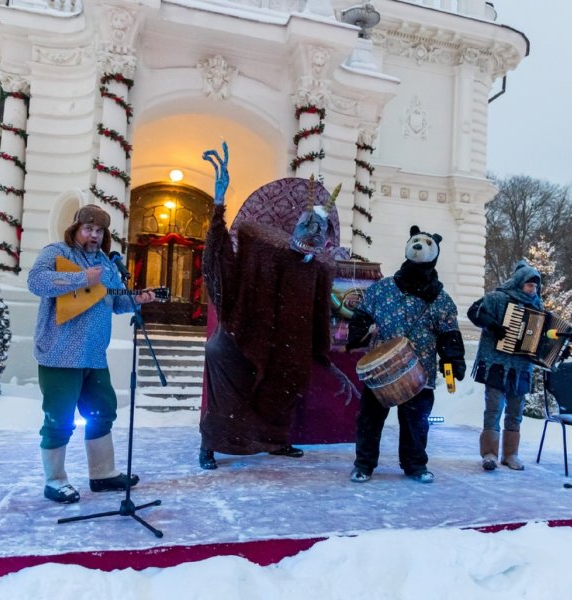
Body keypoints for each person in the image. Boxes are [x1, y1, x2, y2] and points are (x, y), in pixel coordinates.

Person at [198, 143, 340, 469]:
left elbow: (320, 314)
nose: (311, 233)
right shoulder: (264, 249)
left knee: (285, 383)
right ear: (294, 225)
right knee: (229, 390)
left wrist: (321, 354)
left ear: (326, 240)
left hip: (286, 347)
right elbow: (224, 264)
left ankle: (275, 440)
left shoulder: (320, 270)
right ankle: (210, 445)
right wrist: (218, 206)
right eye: (306, 225)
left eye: (319, 230)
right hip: (240, 338)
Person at [28, 204, 157, 503]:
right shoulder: (56, 253)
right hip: (59, 355)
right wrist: (81, 279)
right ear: (76, 228)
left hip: (94, 355)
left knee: (103, 412)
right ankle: (55, 480)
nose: (94, 235)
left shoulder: (107, 265)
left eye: (99, 231)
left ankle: (103, 474)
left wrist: (137, 299)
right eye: (88, 229)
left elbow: (114, 302)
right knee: (59, 419)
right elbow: (36, 282)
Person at [347, 226, 466, 484]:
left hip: (419, 372)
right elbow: (362, 315)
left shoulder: (441, 299)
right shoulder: (383, 289)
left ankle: (415, 464)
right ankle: (364, 464)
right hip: (381, 369)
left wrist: (452, 362)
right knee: (370, 419)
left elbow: (449, 333)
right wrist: (358, 334)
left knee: (416, 423)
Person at [467, 259, 543, 472]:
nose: (533, 289)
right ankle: (489, 453)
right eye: (530, 284)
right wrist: (493, 326)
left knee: (515, 411)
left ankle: (511, 454)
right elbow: (474, 312)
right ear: (520, 283)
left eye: (536, 285)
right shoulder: (498, 298)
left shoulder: (538, 306)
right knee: (493, 408)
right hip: (497, 363)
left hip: (521, 367)